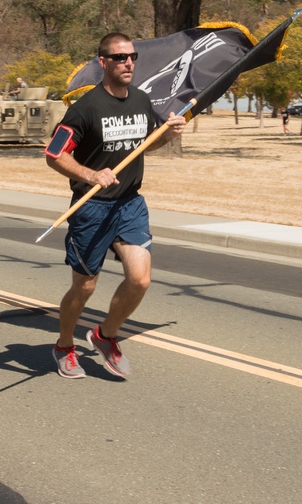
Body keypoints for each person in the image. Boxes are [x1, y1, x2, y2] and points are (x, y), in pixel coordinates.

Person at [45, 32, 186, 379]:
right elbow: (53, 154)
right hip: (92, 208)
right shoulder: (85, 109)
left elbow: (143, 146)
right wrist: (91, 174)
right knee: (85, 286)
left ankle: (105, 335)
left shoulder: (140, 99)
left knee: (140, 280)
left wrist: (167, 134)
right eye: (120, 57)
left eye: (133, 57)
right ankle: (64, 345)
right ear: (103, 62)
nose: (129, 63)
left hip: (129, 204)